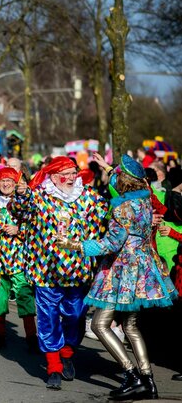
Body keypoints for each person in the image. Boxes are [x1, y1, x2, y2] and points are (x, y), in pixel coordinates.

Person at [57, 155, 177, 400]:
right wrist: (108, 167)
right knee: (131, 326)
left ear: (123, 181)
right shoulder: (145, 197)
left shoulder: (122, 207)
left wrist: (74, 245)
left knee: (99, 324)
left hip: (123, 271)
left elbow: (111, 243)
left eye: (117, 175)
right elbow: (129, 178)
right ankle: (148, 382)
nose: (115, 178)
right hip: (143, 266)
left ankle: (132, 375)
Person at [12, 156, 109, 391]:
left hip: (78, 270)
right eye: (67, 173)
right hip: (47, 271)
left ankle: (67, 353)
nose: (73, 177)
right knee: (48, 317)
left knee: (76, 316)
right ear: (54, 177)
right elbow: (19, 210)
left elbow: (108, 213)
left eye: (74, 172)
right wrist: (22, 194)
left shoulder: (88, 197)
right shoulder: (40, 197)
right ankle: (53, 365)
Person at [0, 167, 37, 351]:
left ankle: (31, 338)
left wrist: (19, 230)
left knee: (24, 295)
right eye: (2, 180)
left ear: (15, 183)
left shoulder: (24, 201)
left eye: (9, 180)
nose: (5, 184)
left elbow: (35, 226)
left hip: (18, 257)